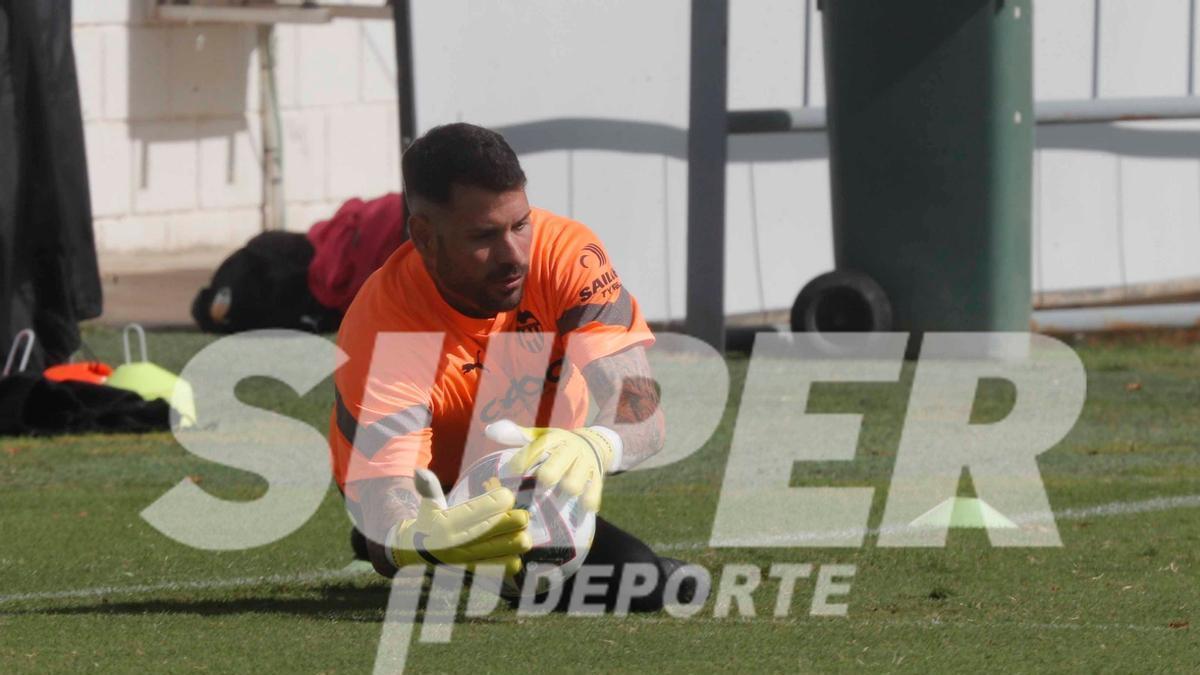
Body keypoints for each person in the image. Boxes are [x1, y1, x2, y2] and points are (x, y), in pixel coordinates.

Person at [329, 123, 695, 611]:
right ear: (424, 236)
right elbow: (386, 506)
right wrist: (421, 538)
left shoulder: (565, 254)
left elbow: (642, 409)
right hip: (438, 495)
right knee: (636, 577)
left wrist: (594, 445)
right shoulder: (386, 329)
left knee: (642, 580)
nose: (514, 255)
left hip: (536, 482)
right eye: (483, 236)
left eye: (520, 225)